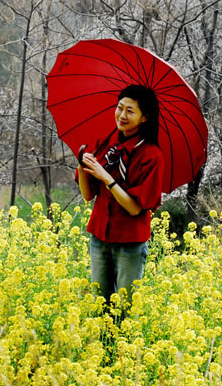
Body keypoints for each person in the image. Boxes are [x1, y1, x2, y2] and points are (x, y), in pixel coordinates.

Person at [76, 84, 164, 304]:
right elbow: (88, 196)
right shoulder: (107, 143)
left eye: (130, 111)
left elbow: (135, 208)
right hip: (99, 236)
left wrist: (106, 177)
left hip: (129, 242)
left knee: (124, 308)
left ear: (145, 118)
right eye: (119, 107)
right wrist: (81, 165)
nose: (122, 115)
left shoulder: (151, 156)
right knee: (99, 305)